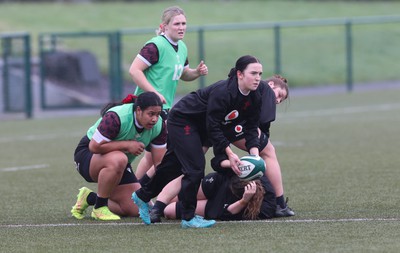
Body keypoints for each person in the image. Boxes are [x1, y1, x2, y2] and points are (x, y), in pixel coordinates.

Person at [132, 55, 264, 228]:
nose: (257, 78)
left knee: (173, 167)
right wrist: (229, 153)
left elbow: (252, 127)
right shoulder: (223, 92)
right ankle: (188, 217)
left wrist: (255, 156)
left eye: (260, 74)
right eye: (253, 73)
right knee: (195, 169)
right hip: (183, 120)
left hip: (202, 127)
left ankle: (142, 195)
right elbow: (214, 126)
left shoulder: (255, 96)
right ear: (239, 74)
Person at [128, 6, 208, 183]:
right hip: (147, 109)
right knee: (157, 156)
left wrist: (197, 72)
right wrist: (154, 93)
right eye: (177, 23)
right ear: (164, 26)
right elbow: (134, 70)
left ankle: (136, 191)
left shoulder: (182, 47)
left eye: (184, 23)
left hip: (164, 109)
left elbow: (184, 74)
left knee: (152, 155)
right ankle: (151, 195)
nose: (182, 27)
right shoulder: (155, 45)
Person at [70, 92, 167, 221]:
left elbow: (160, 164)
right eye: (151, 114)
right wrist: (127, 145)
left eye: (157, 114)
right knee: (120, 159)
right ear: (138, 110)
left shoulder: (159, 126)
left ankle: (90, 198)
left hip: (118, 162)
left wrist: (168, 196)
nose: (155, 119)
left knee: (137, 209)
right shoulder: (116, 117)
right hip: (87, 155)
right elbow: (94, 146)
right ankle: (99, 208)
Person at [211, 75, 294, 217]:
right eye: (279, 95)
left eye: (281, 100)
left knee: (194, 164)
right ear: (271, 84)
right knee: (268, 152)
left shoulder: (252, 93)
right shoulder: (262, 90)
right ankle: (280, 204)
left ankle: (169, 199)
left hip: (218, 122)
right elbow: (258, 123)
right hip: (229, 123)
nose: (278, 100)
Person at [151, 163, 276, 222]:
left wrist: (243, 201)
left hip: (220, 206)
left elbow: (227, 214)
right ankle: (154, 204)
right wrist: (231, 163)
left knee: (168, 211)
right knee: (173, 198)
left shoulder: (265, 208)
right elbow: (217, 163)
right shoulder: (256, 174)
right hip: (217, 184)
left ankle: (159, 208)